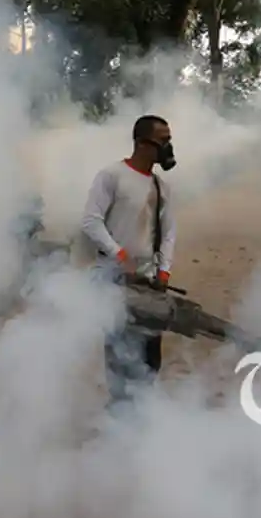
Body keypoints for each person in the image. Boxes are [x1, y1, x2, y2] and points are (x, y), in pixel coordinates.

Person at [76, 114, 177, 410]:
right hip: (113, 279)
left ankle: (141, 414)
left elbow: (169, 232)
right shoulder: (111, 176)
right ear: (142, 143)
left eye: (169, 140)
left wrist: (164, 270)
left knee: (149, 355)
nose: (168, 147)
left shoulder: (161, 186)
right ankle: (119, 416)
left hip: (148, 282)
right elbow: (91, 222)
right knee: (120, 354)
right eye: (163, 141)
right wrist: (119, 255)